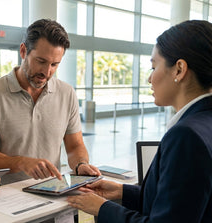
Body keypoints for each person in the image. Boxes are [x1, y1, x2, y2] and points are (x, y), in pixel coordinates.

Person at [67, 20, 212, 222]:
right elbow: (182, 204)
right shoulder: (204, 123)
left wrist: (103, 208)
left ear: (179, 69)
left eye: (154, 67)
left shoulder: (187, 136)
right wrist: (121, 191)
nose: (149, 79)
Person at [0, 19, 100, 185]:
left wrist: (81, 164)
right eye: (41, 61)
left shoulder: (67, 93)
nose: (47, 72)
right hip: (7, 196)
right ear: (23, 51)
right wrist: (21, 162)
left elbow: (75, 146)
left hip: (52, 192)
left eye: (54, 64)